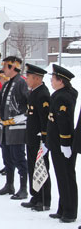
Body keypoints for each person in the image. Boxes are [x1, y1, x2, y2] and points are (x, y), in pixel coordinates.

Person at [47, 64, 78, 223]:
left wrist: (65, 142)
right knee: (61, 176)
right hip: (56, 142)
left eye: (53, 79)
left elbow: (64, 121)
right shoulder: (59, 95)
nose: (51, 82)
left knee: (66, 177)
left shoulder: (63, 97)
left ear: (61, 81)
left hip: (62, 143)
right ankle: (63, 207)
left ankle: (70, 211)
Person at [0, 56, 29, 199]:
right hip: (6, 127)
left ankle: (23, 188)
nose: (3, 69)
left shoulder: (21, 82)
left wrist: (25, 115)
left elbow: (30, 101)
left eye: (5, 66)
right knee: (7, 158)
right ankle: (9, 184)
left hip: (17, 128)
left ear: (12, 67)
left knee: (19, 158)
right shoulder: (8, 83)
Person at [20, 63, 51, 211]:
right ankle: (35, 196)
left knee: (41, 168)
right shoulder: (34, 92)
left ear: (37, 78)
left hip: (40, 139)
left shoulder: (43, 94)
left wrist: (45, 140)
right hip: (31, 137)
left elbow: (45, 120)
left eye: (29, 77)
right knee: (33, 167)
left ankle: (44, 199)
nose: (26, 80)